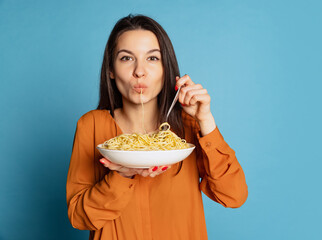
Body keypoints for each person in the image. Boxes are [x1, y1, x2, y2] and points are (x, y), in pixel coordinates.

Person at [66, 14, 248, 240]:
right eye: (126, 58)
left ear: (166, 69)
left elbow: (234, 195)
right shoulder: (91, 125)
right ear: (110, 70)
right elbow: (78, 217)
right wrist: (121, 176)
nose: (139, 71)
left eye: (152, 58)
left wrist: (206, 121)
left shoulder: (189, 127)